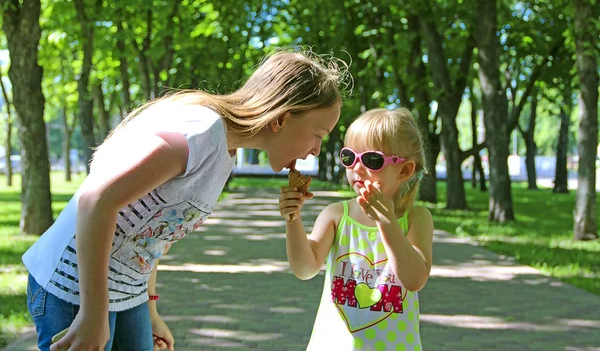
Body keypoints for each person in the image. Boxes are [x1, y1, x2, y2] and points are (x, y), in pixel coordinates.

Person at [23, 50, 348, 351]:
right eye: (318, 135)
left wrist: (150, 308)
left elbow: (154, 234)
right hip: (73, 288)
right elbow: (96, 201)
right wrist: (93, 316)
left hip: (126, 294)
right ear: (281, 119)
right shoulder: (200, 134)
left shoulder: (225, 154)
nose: (316, 150)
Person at [280, 108, 433, 350]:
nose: (357, 168)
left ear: (404, 170)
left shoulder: (416, 219)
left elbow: (414, 279)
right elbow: (305, 268)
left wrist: (386, 220)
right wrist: (293, 219)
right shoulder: (337, 215)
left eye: (372, 160)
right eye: (350, 157)